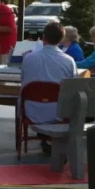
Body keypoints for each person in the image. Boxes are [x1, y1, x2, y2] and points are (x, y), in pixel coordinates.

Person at [20, 22, 77, 151]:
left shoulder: (28, 58)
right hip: (58, 113)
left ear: (44, 37)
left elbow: (23, 82)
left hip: (31, 110)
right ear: (62, 38)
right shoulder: (68, 61)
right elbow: (72, 88)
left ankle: (44, 138)